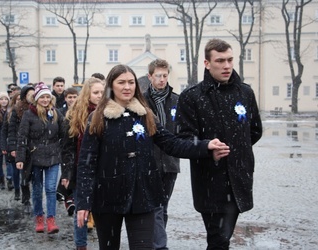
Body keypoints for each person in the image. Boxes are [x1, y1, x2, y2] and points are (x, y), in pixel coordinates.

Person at [75, 64, 230, 250]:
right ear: (111, 86)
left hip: (142, 196)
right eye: (121, 82)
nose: (127, 87)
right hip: (107, 197)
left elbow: (171, 143)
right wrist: (83, 202)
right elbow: (86, 163)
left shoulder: (145, 115)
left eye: (131, 82)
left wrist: (205, 146)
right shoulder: (98, 118)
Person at [176, 38, 263, 249]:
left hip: (238, 179)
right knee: (218, 239)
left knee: (222, 238)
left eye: (230, 60)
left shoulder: (245, 92)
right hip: (210, 181)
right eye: (220, 60)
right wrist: (206, 148)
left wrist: (238, 151)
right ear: (207, 63)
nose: (226, 66)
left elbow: (255, 130)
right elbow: (182, 139)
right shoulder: (192, 97)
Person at [60, 77, 105, 250]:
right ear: (87, 93)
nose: (99, 96)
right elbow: (67, 147)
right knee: (81, 211)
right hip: (82, 170)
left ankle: (106, 243)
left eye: (102, 92)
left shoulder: (108, 111)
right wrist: (67, 173)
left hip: (104, 169)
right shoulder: (74, 114)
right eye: (95, 92)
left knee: (103, 212)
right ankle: (81, 245)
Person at [16, 82, 65, 234]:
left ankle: (51, 220)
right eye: (42, 97)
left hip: (53, 156)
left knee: (50, 189)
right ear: (36, 99)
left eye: (47, 97)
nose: (45, 100)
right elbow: (22, 136)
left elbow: (64, 133)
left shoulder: (56, 113)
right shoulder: (29, 114)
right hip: (34, 156)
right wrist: (20, 158)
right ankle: (39, 217)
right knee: (37, 190)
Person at [143, 58, 179, 250]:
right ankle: (156, 243)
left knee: (163, 205)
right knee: (152, 205)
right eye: (158, 76)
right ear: (150, 77)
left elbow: (182, 130)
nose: (162, 79)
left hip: (171, 162)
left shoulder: (176, 100)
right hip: (148, 161)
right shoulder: (141, 100)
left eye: (165, 75)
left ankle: (157, 239)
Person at [8, 84, 35, 213]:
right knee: (24, 173)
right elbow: (12, 130)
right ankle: (25, 196)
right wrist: (14, 147)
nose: (32, 97)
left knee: (36, 174)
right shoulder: (17, 110)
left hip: (35, 146)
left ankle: (36, 197)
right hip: (22, 145)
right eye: (29, 94)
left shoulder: (39, 108)